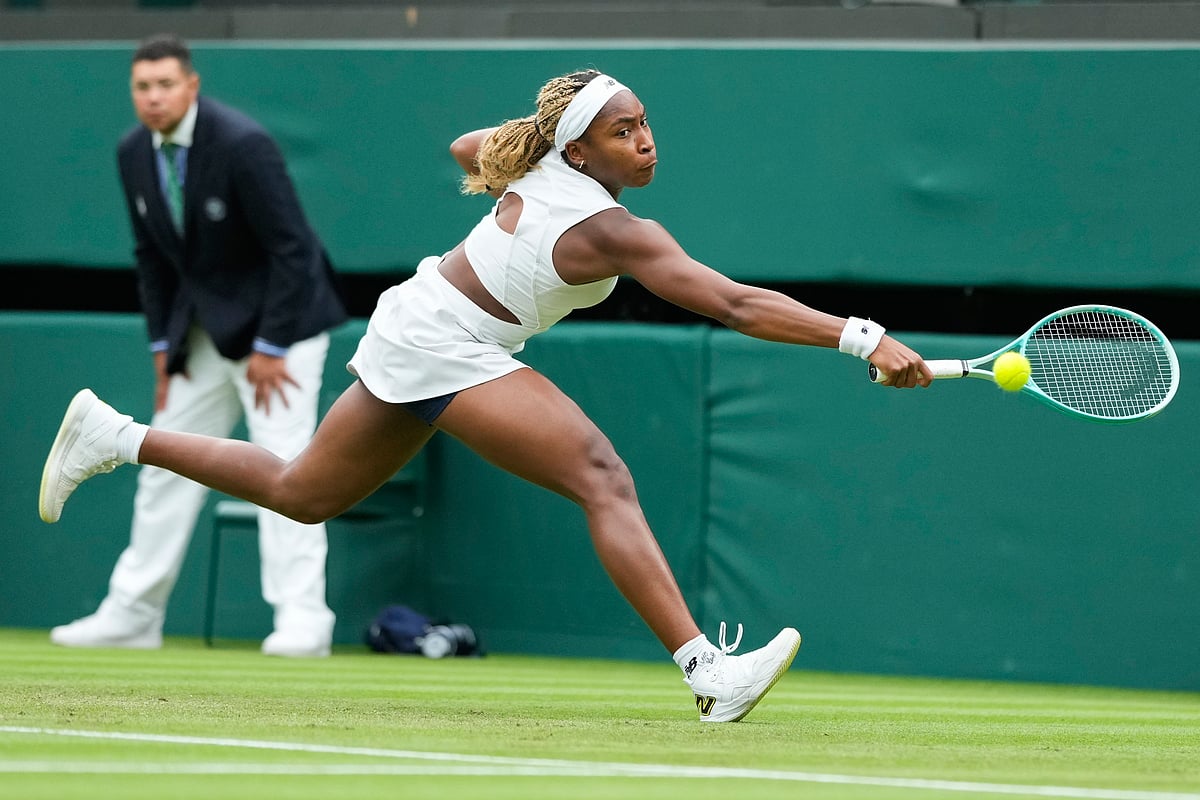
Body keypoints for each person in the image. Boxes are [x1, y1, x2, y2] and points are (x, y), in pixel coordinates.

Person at [40, 69, 931, 720]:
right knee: (601, 474)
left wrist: (550, 127)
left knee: (300, 493)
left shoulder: (549, 172)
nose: (646, 140)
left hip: (421, 324)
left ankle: (115, 435)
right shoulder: (612, 228)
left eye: (646, 122)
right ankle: (706, 670)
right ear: (580, 149)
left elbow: (472, 146)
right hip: (443, 339)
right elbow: (736, 303)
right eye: (623, 131)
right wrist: (864, 338)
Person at [47, 34, 348, 659]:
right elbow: (151, 259)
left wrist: (270, 346)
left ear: (191, 86)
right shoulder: (133, 153)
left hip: (279, 331)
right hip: (201, 334)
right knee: (163, 466)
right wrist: (163, 347)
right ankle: (132, 615)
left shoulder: (244, 145)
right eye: (142, 87)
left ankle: (302, 621)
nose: (153, 97)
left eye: (165, 85)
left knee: (287, 466)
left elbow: (293, 247)